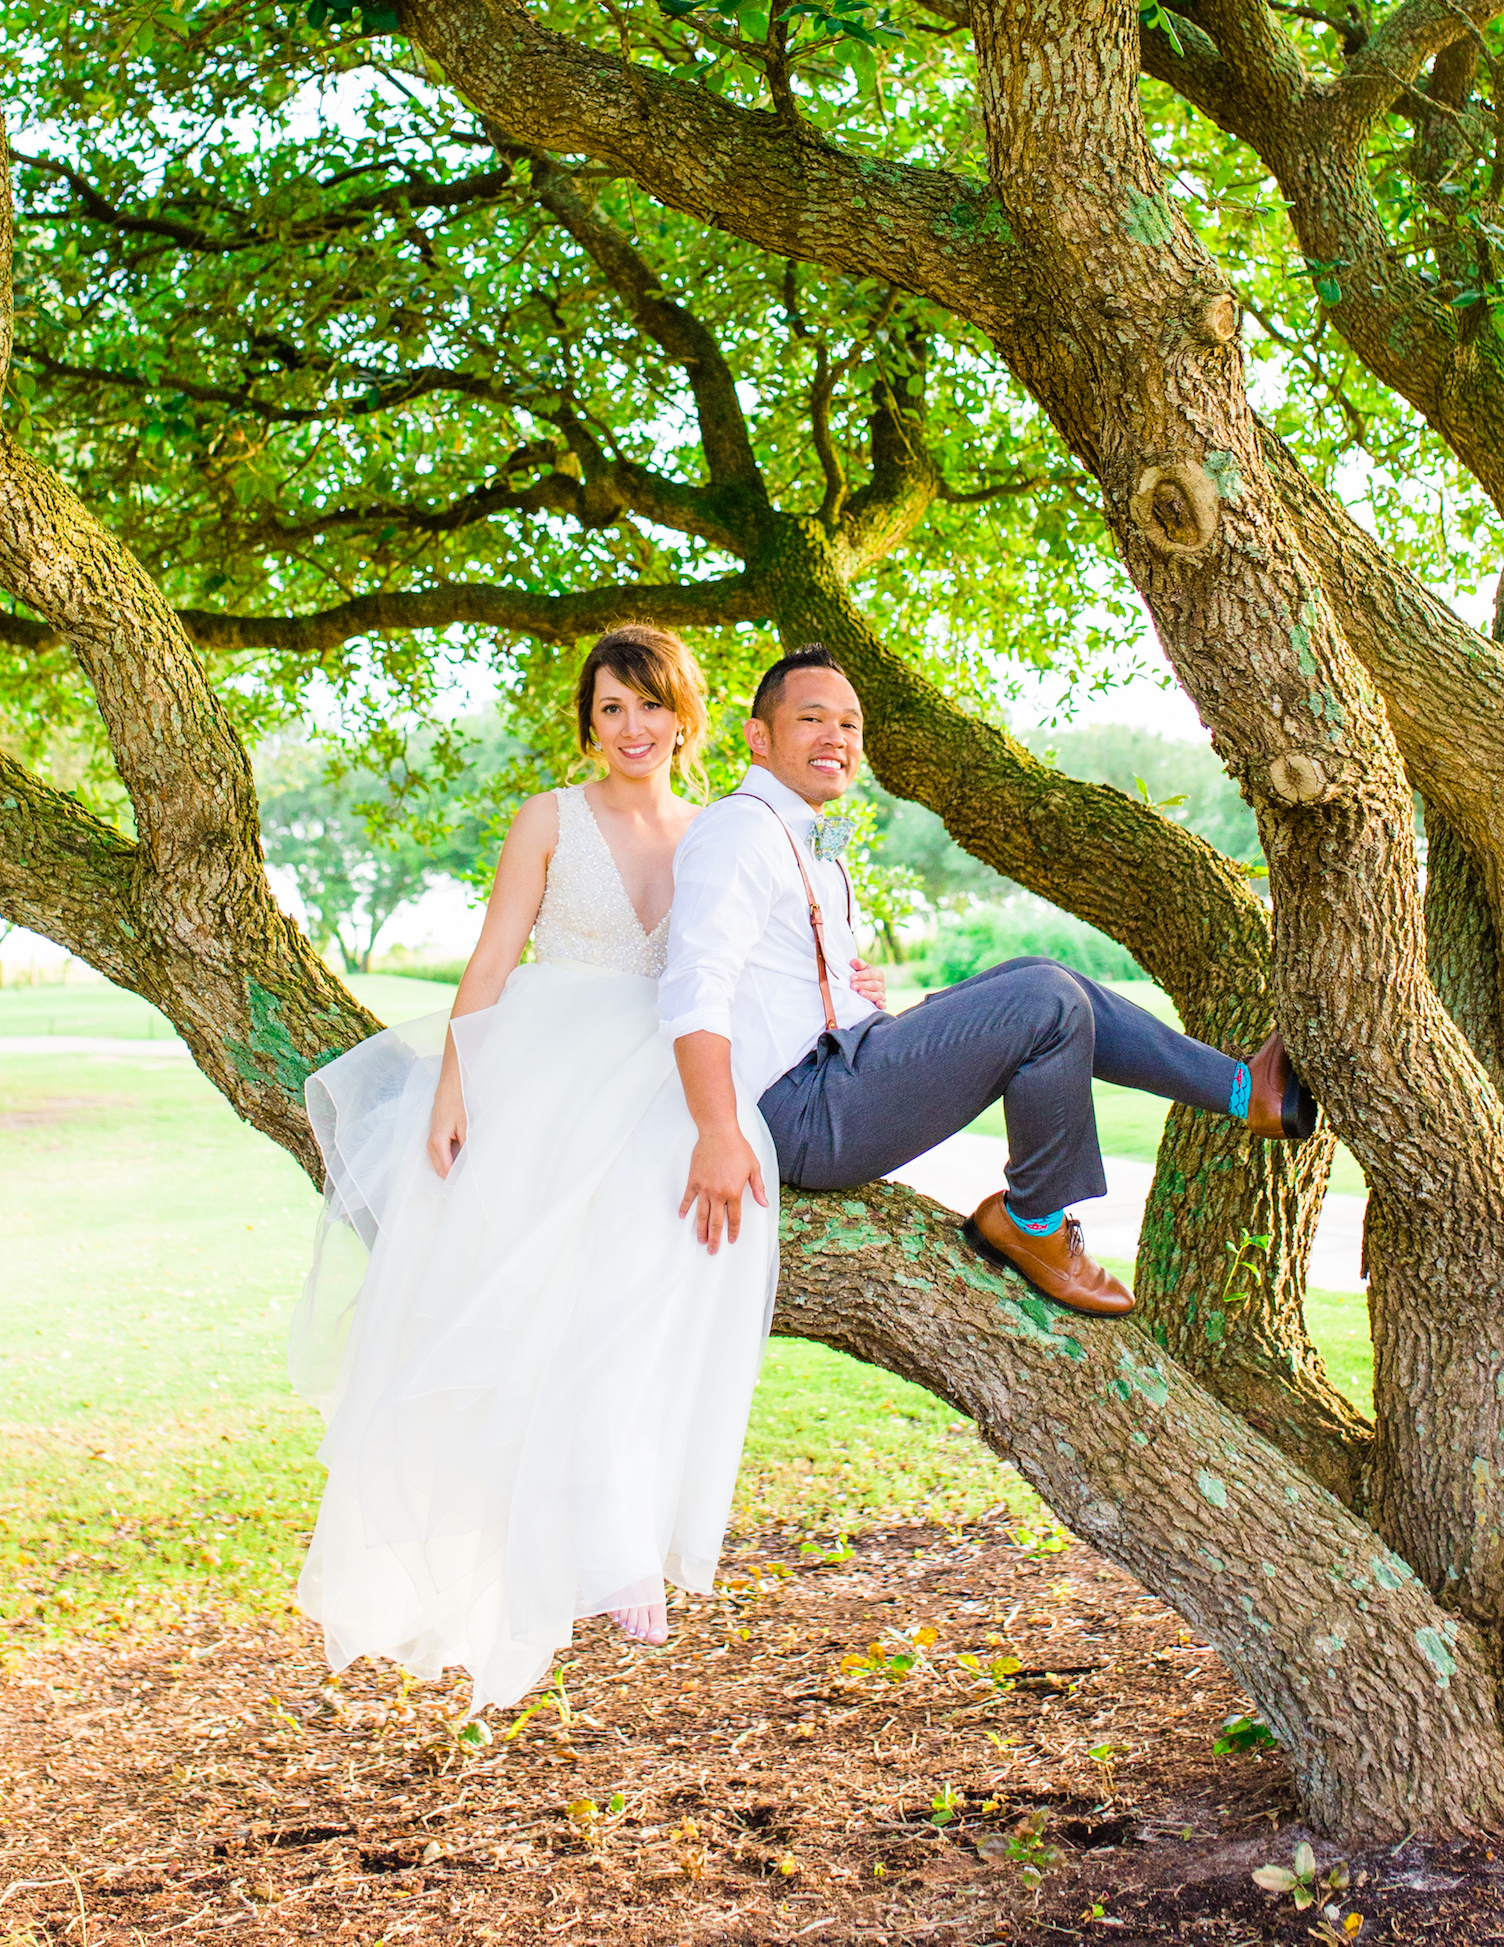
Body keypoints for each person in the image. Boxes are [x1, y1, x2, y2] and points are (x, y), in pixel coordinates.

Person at [295, 626, 829, 1709]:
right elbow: (494, 952)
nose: (631, 730)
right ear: (590, 726)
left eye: (650, 707)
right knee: (538, 1298)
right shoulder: (548, 818)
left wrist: (843, 968)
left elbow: (755, 956)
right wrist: (455, 1085)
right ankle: (571, 1533)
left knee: (663, 1262)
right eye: (610, 712)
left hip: (662, 1063)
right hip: (549, 1060)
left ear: (687, 717)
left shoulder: (713, 831)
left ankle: (623, 1531)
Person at [663, 646, 1315, 1319]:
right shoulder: (739, 830)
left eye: (851, 725)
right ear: (759, 736)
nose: (837, 737)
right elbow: (695, 987)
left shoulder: (798, 832)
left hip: (844, 1066)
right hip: (804, 1114)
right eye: (812, 718)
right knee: (1047, 1002)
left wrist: (854, 993)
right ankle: (1035, 1225)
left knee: (1046, 978)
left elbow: (776, 976)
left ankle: (1245, 1092)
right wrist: (718, 1133)